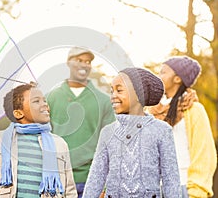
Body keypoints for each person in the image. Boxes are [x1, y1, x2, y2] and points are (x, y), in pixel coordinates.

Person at [0, 83, 77, 198]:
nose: (45, 104)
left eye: (44, 100)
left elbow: (70, 190)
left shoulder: (60, 144)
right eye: (36, 101)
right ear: (18, 113)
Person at [83, 67, 181, 197]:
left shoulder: (161, 131)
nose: (113, 96)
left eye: (119, 90)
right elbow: (95, 178)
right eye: (112, 91)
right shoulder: (107, 132)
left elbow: (171, 180)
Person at [46, 47, 115, 197]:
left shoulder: (104, 101)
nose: (84, 65)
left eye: (88, 61)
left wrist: (105, 184)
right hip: (57, 179)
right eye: (79, 60)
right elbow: (42, 138)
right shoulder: (50, 98)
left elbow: (111, 144)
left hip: (92, 180)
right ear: (68, 63)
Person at [147, 56, 217, 198]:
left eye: (163, 72)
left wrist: (196, 193)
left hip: (182, 188)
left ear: (177, 79)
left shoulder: (194, 110)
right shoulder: (151, 111)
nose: (158, 76)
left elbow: (204, 155)